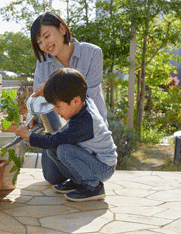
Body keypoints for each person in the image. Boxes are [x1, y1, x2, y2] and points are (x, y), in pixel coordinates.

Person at [28, 11, 108, 185]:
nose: (45, 45)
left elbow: (87, 96)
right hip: (58, 130)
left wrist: (50, 86)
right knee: (52, 178)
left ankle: (87, 174)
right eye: (39, 42)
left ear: (62, 29)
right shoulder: (42, 63)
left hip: (88, 130)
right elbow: (39, 99)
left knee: (80, 171)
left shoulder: (93, 53)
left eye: (47, 36)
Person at [15, 68, 117, 202]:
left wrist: (27, 135)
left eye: (57, 106)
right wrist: (48, 88)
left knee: (63, 149)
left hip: (104, 167)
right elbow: (78, 86)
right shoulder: (82, 100)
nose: (56, 111)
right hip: (92, 160)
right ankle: (79, 180)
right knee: (54, 149)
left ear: (75, 101)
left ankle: (93, 186)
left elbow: (53, 140)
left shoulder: (84, 123)